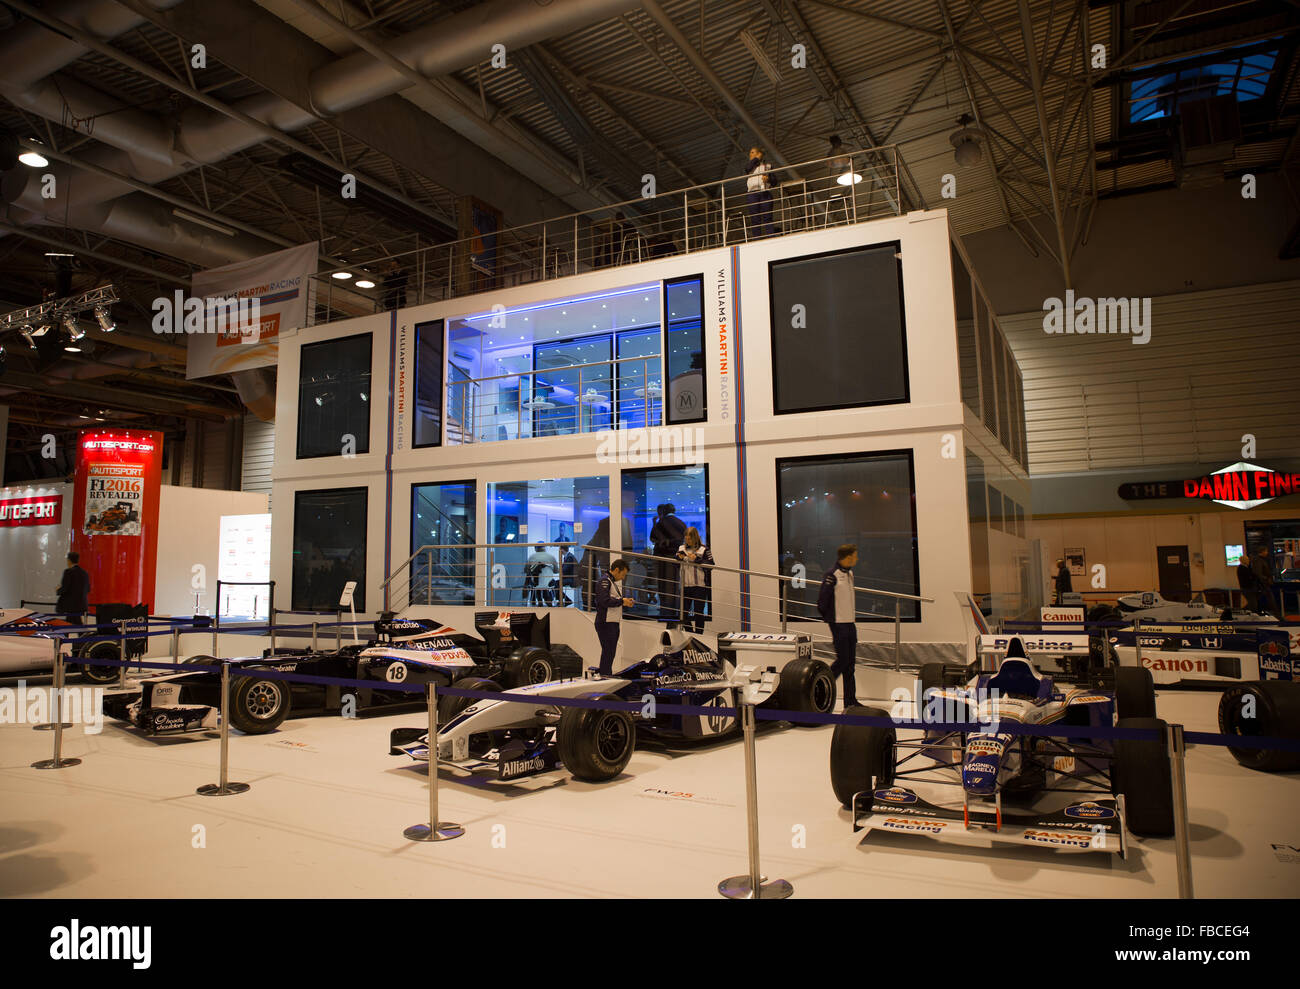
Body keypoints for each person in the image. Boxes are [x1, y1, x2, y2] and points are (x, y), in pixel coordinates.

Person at [818, 544, 859, 706]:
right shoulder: (832, 574)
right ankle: (821, 685)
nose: (857, 559)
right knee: (842, 660)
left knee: (850, 665)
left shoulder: (850, 573)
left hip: (850, 623)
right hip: (839, 624)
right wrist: (831, 619)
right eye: (855, 556)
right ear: (847, 557)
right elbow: (822, 601)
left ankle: (850, 700)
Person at [594, 559, 635, 675]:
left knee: (610, 652)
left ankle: (606, 675)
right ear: (616, 570)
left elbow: (612, 600)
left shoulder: (610, 582)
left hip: (611, 622)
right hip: (606, 623)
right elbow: (604, 601)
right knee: (608, 652)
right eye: (623, 574)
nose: (623, 578)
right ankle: (605, 677)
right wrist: (622, 601)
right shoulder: (605, 581)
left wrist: (624, 601)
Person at [650, 503, 686, 619]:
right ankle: (675, 609)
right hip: (676, 557)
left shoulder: (661, 523)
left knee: (662, 583)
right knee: (675, 583)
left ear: (664, 511)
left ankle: (665, 608)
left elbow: (652, 538)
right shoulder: (681, 523)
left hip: (662, 557)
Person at [676, 527, 714, 634]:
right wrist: (679, 557)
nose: (687, 541)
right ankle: (690, 633)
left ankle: (698, 636)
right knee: (683, 613)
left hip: (700, 586)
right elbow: (676, 561)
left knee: (699, 613)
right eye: (686, 538)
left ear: (695, 538)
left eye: (690, 539)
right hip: (685, 585)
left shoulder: (704, 549)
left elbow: (711, 565)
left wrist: (696, 559)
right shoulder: (681, 548)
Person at [745, 146, 776, 238]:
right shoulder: (750, 166)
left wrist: (768, 179)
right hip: (752, 193)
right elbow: (747, 169)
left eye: (753, 152)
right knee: (755, 218)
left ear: (759, 153)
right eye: (750, 152)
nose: (750, 154)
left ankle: (770, 236)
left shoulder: (768, 166)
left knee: (767, 217)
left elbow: (775, 182)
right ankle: (757, 238)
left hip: (765, 192)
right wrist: (756, 158)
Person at [56, 551, 90, 625]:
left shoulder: (68, 572)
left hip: (71, 606)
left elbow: (65, 588)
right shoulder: (84, 573)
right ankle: (79, 635)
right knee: (72, 622)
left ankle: (82, 635)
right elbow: (88, 589)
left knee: (72, 623)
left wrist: (58, 590)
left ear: (69, 560)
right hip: (81, 604)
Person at [1252, 546, 1280, 618]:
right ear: (1262, 552)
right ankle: (1277, 616)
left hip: (1262, 584)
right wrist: (1266, 579)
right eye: (1266, 551)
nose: (1267, 553)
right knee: (1270, 600)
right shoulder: (1258, 560)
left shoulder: (1260, 560)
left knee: (1258, 600)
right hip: (1262, 584)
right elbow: (1258, 573)